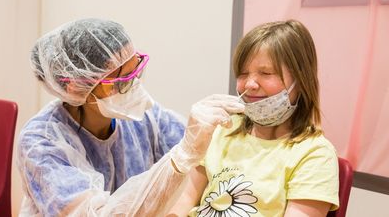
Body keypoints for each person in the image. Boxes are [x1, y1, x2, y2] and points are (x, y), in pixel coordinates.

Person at [17, 18, 245, 217]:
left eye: (136, 71)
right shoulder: (41, 142)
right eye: (122, 81)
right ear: (77, 87)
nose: (134, 87)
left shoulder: (141, 117)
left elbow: (206, 151)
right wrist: (182, 156)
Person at [168, 20, 339, 217]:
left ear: (300, 80)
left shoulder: (315, 154)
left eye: (266, 73)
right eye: (243, 74)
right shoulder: (224, 129)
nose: (249, 84)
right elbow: (185, 199)